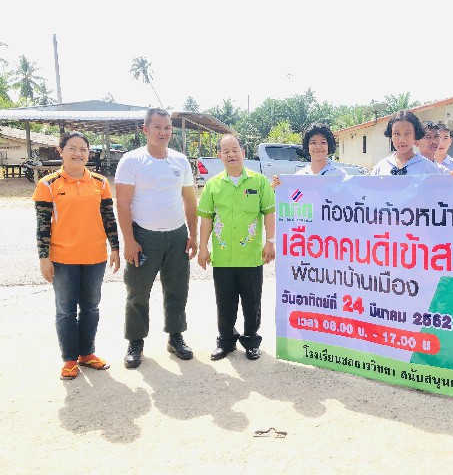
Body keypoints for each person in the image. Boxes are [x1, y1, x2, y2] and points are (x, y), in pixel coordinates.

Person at [33, 132, 120, 380]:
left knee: (91, 307)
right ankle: (70, 359)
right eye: (72, 148)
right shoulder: (48, 184)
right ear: (60, 151)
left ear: (88, 153)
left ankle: (87, 353)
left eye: (83, 149)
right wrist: (44, 258)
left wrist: (115, 248)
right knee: (65, 310)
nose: (78, 153)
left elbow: (109, 218)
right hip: (63, 259)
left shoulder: (100, 183)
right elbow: (42, 225)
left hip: (95, 257)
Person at [115, 108, 198, 369]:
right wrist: (129, 241)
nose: (163, 132)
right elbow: (123, 204)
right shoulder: (132, 161)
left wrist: (193, 234)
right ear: (145, 130)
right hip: (144, 235)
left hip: (176, 235)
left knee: (177, 288)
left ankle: (176, 336)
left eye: (167, 128)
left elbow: (190, 200)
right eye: (158, 127)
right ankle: (135, 342)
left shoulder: (180, 161)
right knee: (138, 291)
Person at [197, 134, 276, 361]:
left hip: (251, 257)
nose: (231, 154)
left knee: (252, 303)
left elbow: (269, 214)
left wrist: (270, 242)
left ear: (243, 153)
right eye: (226, 151)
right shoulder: (212, 185)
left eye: (235, 150)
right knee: (225, 303)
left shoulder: (259, 182)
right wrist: (203, 247)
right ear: (219, 156)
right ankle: (226, 342)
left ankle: (251, 341)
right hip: (223, 258)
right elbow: (206, 219)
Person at [271, 122, 346, 188]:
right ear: (307, 146)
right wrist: (279, 187)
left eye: (323, 142)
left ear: (329, 145)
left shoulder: (340, 175)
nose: (318, 147)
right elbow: (293, 197)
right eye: (313, 143)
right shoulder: (299, 176)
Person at [371, 111, 443, 175]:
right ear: (391, 136)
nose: (402, 140)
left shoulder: (428, 168)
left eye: (407, 133)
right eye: (397, 134)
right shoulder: (381, 167)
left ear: (415, 135)